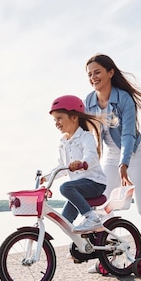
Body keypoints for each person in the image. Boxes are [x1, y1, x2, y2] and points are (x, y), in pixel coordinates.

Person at [83, 53, 141, 262]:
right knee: (103, 207)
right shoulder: (89, 100)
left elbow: (128, 134)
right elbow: (89, 133)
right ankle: (110, 256)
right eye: (89, 74)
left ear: (110, 72)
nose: (93, 77)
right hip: (111, 156)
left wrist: (124, 164)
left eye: (97, 72)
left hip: (135, 153)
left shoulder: (123, 98)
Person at [44, 95, 107, 232]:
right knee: (64, 222)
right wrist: (46, 177)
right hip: (77, 188)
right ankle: (81, 249)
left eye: (59, 118)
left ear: (74, 117)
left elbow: (92, 156)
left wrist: (83, 163)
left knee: (65, 188)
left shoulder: (85, 136)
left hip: (94, 183)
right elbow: (61, 168)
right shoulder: (63, 144)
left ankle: (92, 218)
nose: (56, 123)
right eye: (55, 120)